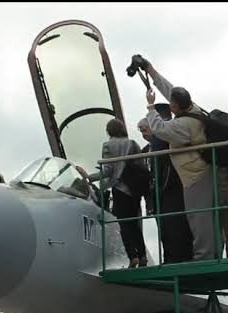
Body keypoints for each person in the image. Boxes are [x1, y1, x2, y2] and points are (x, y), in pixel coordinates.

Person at [141, 58, 217, 261]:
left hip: (194, 174)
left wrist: (150, 106)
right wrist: (151, 70)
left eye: (171, 104)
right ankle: (206, 252)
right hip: (199, 170)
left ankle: (204, 256)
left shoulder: (182, 126)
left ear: (175, 107)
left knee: (198, 216)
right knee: (201, 215)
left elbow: (159, 129)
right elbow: (170, 90)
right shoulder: (193, 109)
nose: (170, 105)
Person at [77, 118, 148, 268]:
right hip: (135, 189)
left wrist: (89, 177)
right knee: (134, 223)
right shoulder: (133, 143)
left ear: (109, 131)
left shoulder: (108, 146)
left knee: (124, 224)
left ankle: (133, 257)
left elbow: (108, 171)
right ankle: (143, 256)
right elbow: (141, 166)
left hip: (120, 188)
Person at [138, 105, 194, 263]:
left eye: (145, 129)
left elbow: (163, 166)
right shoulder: (147, 149)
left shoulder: (164, 138)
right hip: (160, 192)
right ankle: (172, 256)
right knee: (166, 226)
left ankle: (178, 257)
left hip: (169, 189)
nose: (144, 134)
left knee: (174, 225)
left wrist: (159, 186)